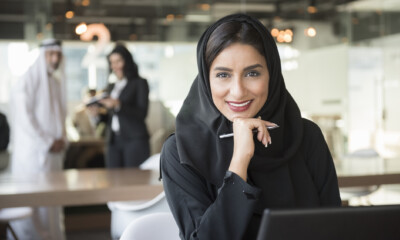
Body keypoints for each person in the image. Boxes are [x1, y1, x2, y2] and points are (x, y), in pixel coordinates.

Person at [160, 13, 341, 240]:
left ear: (272, 74)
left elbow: (334, 227)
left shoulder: (306, 136)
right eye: (223, 75)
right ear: (206, 80)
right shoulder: (180, 151)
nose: (238, 91)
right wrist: (239, 162)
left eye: (252, 73)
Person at [11, 39, 66, 240]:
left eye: (58, 55)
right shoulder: (27, 80)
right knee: (34, 206)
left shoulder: (56, 82)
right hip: (33, 156)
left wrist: (61, 140)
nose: (54, 59)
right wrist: (48, 141)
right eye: (50, 54)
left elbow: (60, 117)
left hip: (54, 155)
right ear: (42, 55)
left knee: (52, 203)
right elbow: (26, 119)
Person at [100, 44, 150, 168]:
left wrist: (118, 105)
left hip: (134, 140)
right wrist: (97, 114)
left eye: (118, 61)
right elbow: (110, 118)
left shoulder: (140, 83)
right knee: (113, 180)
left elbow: (142, 113)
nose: (115, 66)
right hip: (114, 141)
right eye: (112, 62)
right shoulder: (112, 86)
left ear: (127, 61)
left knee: (134, 181)